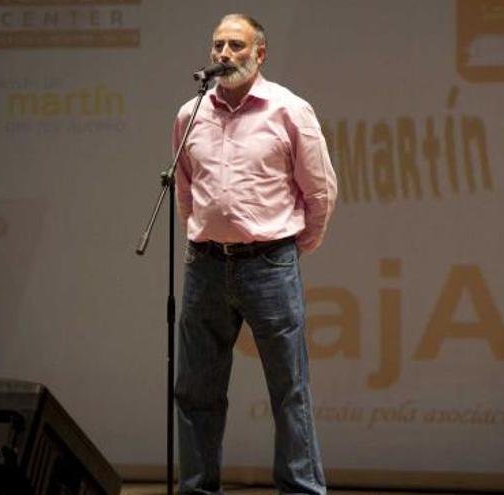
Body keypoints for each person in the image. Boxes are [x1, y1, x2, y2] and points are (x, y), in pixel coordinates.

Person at [172, 13, 337, 495]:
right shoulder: (189, 115)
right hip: (204, 266)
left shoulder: (289, 110)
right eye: (218, 45)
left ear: (259, 54)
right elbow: (185, 190)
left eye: (236, 46)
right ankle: (198, 488)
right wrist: (205, 235)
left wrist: (288, 247)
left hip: (269, 265)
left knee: (289, 390)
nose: (224, 54)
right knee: (196, 390)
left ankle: (302, 490)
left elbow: (320, 192)